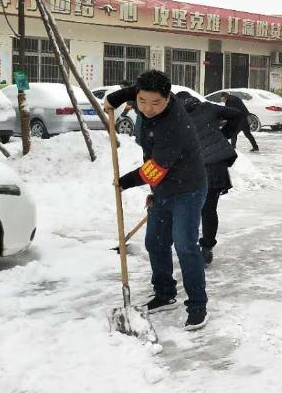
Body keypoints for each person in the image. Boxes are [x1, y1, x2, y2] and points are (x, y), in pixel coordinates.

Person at [104, 70, 210, 331]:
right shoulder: (148, 97)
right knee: (155, 242)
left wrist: (125, 181)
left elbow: (154, 170)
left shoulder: (174, 126)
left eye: (155, 103)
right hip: (162, 190)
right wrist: (116, 98)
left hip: (187, 190)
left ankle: (197, 305)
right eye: (142, 101)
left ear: (168, 98)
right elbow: (136, 91)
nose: (147, 108)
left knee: (185, 245)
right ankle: (164, 293)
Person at [174, 90, 242, 266]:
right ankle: (206, 247)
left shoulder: (176, 117)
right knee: (209, 209)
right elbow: (237, 113)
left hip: (193, 169)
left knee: (188, 209)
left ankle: (188, 247)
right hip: (215, 168)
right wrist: (226, 133)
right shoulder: (207, 107)